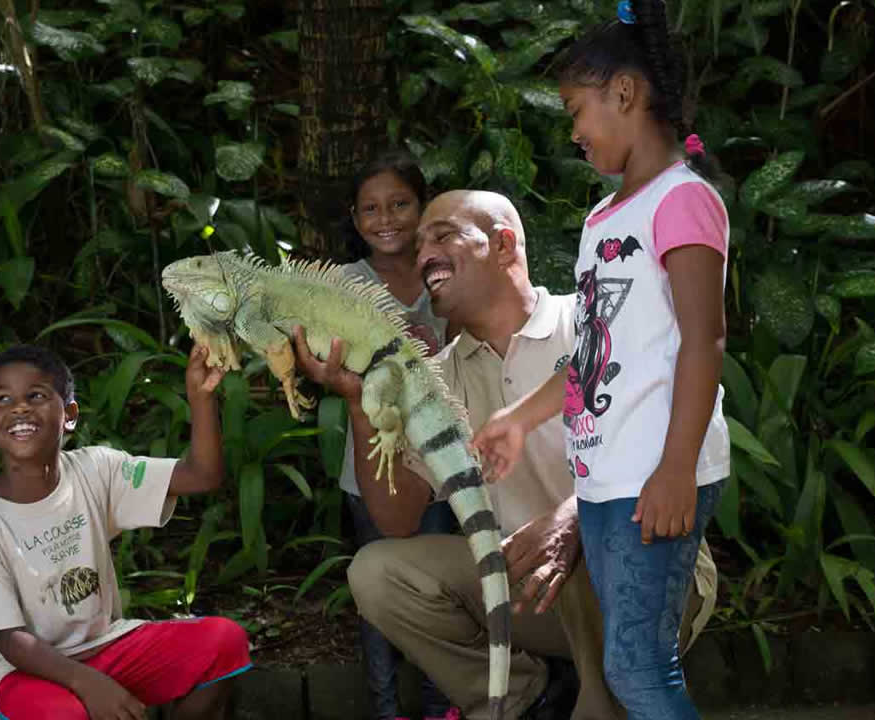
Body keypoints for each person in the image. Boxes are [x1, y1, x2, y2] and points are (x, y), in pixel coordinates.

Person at [291, 188, 718, 720]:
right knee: (380, 571)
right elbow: (398, 519)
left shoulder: (591, 322)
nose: (422, 255)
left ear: (502, 244)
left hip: (651, 579)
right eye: (419, 243)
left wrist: (574, 519)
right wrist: (360, 404)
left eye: (442, 235)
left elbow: (680, 433)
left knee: (598, 543)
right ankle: (526, 698)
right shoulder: (438, 380)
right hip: (530, 589)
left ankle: (601, 703)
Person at [472, 1, 732, 717]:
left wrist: (677, 469)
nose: (574, 132)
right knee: (631, 665)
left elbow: (704, 341)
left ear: (624, 93)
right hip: (608, 484)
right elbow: (591, 354)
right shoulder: (602, 220)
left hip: (657, 477)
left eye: (575, 110)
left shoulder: (683, 201)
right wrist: (519, 419)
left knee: (638, 670)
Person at [0, 344, 251, 720]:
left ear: (69, 415)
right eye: (3, 399)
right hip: (21, 673)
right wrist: (88, 683)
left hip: (105, 646)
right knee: (68, 714)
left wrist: (201, 398)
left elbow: (202, 475)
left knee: (224, 643)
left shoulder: (96, 470)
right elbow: (10, 640)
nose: (19, 408)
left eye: (36, 395)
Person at [335, 150, 460, 720]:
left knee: (439, 595)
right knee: (376, 595)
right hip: (372, 465)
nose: (385, 219)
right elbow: (330, 360)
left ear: (423, 205)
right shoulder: (345, 284)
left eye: (400, 204)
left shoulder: (449, 267)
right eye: (370, 208)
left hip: (442, 464)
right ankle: (386, 710)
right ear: (355, 218)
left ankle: (442, 708)